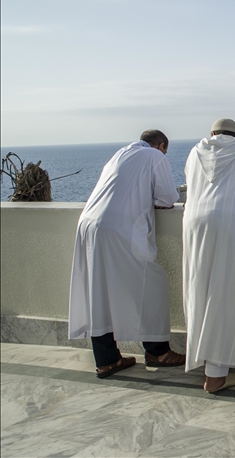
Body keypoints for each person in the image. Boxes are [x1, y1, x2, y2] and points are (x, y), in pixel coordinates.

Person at [68, 130, 184, 378]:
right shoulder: (155, 156)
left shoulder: (120, 154)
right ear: (161, 146)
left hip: (89, 223)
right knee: (152, 285)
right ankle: (158, 351)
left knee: (98, 292)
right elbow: (166, 199)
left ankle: (107, 359)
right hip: (118, 228)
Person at [183, 118, 235, 392]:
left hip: (194, 222)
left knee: (198, 289)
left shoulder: (195, 151)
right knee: (225, 291)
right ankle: (216, 375)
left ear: (213, 134)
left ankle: (203, 362)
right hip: (230, 222)